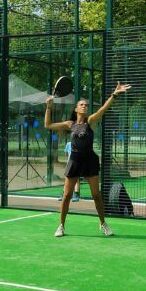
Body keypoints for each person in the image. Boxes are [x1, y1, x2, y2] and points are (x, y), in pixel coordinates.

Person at [45, 81, 132, 237]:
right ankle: (61, 226)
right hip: (75, 161)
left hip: (90, 161)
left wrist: (114, 94)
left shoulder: (90, 121)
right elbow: (48, 125)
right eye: (82, 105)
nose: (85, 106)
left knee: (96, 195)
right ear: (76, 109)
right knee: (67, 195)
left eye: (86, 105)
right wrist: (48, 107)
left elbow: (103, 109)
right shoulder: (69, 124)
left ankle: (103, 224)